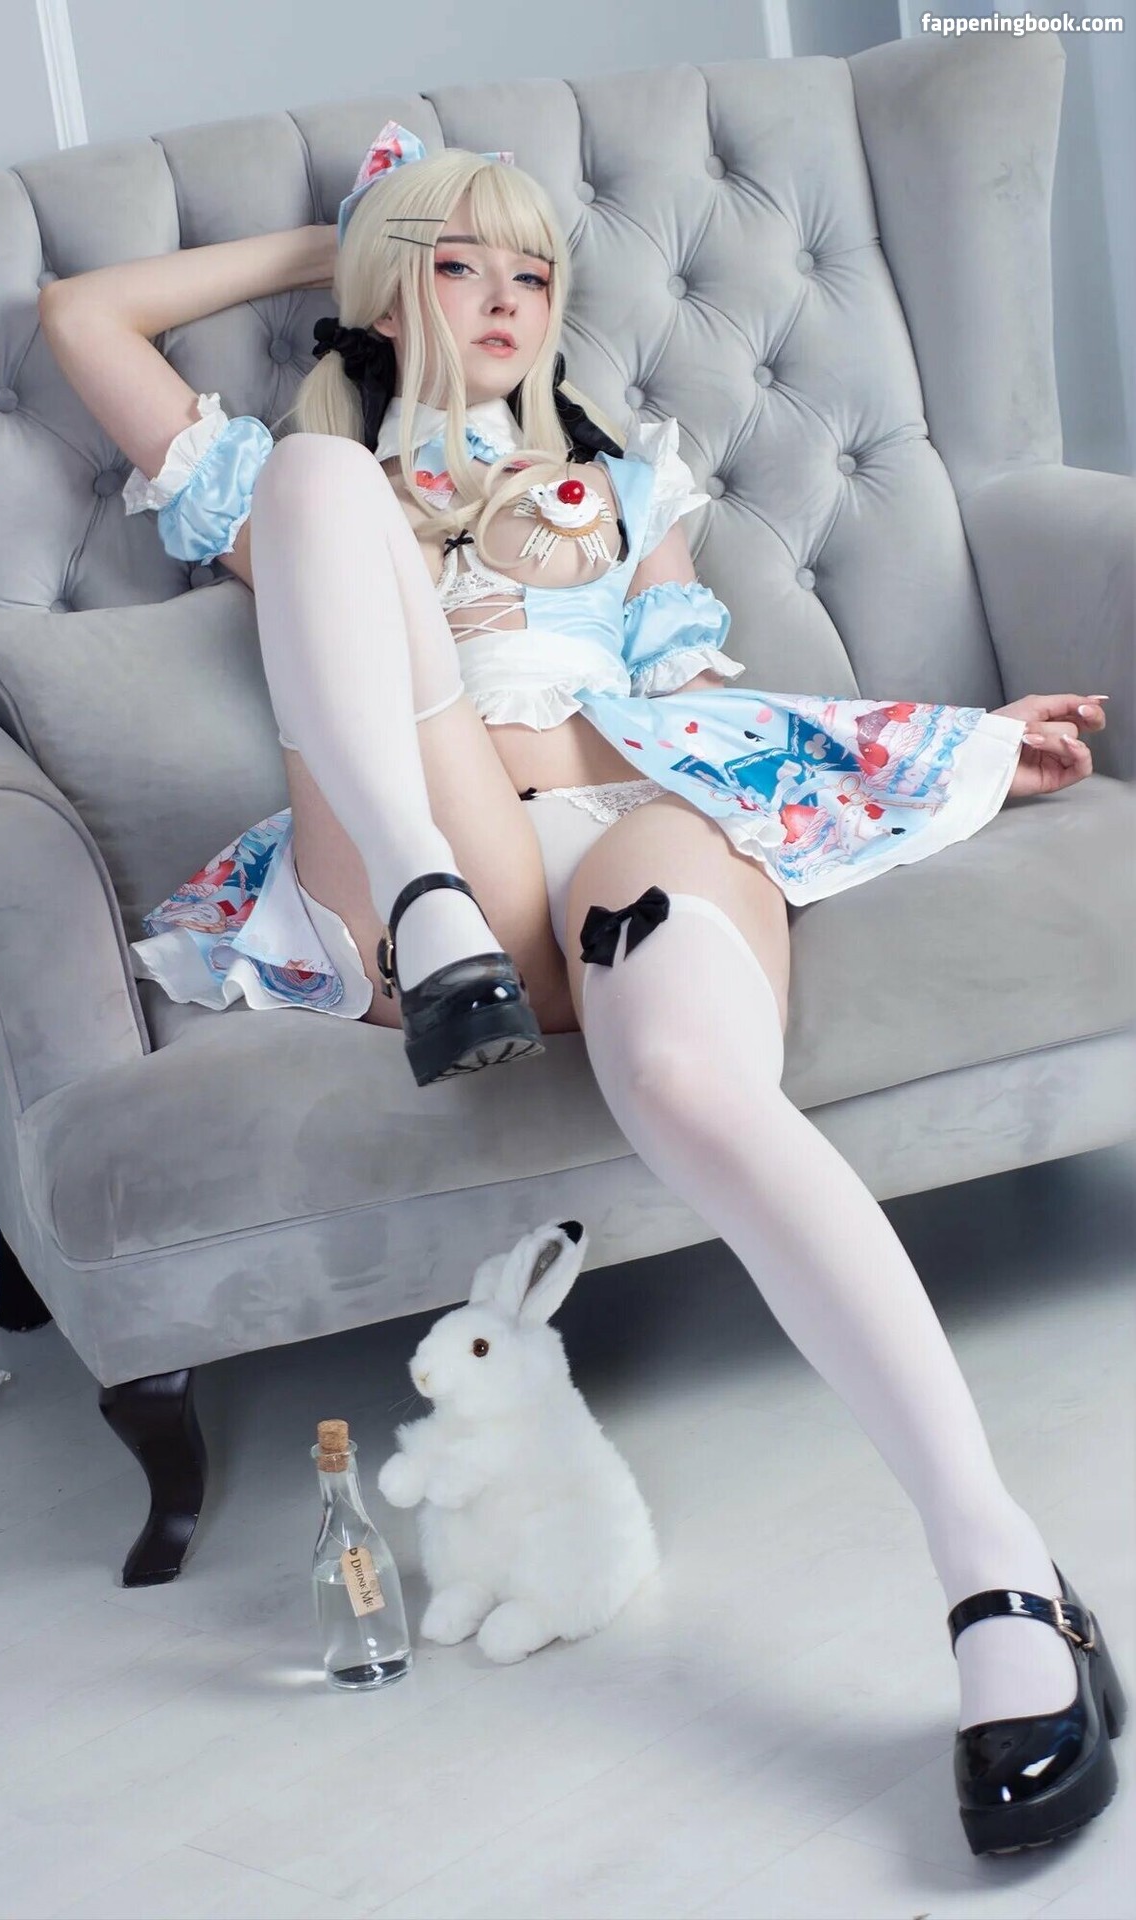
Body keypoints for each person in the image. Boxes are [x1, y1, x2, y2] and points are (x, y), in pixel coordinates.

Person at [112, 124, 1123, 1851]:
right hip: (427, 853)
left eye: (534, 271)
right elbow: (83, 323)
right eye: (458, 265)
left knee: (691, 1089)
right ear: (388, 289)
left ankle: (999, 1573)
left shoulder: (628, 486)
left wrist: (950, 742)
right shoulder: (303, 494)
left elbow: (707, 709)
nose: (507, 298)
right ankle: (427, 897)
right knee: (320, 482)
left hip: (627, 830)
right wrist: (343, 241)